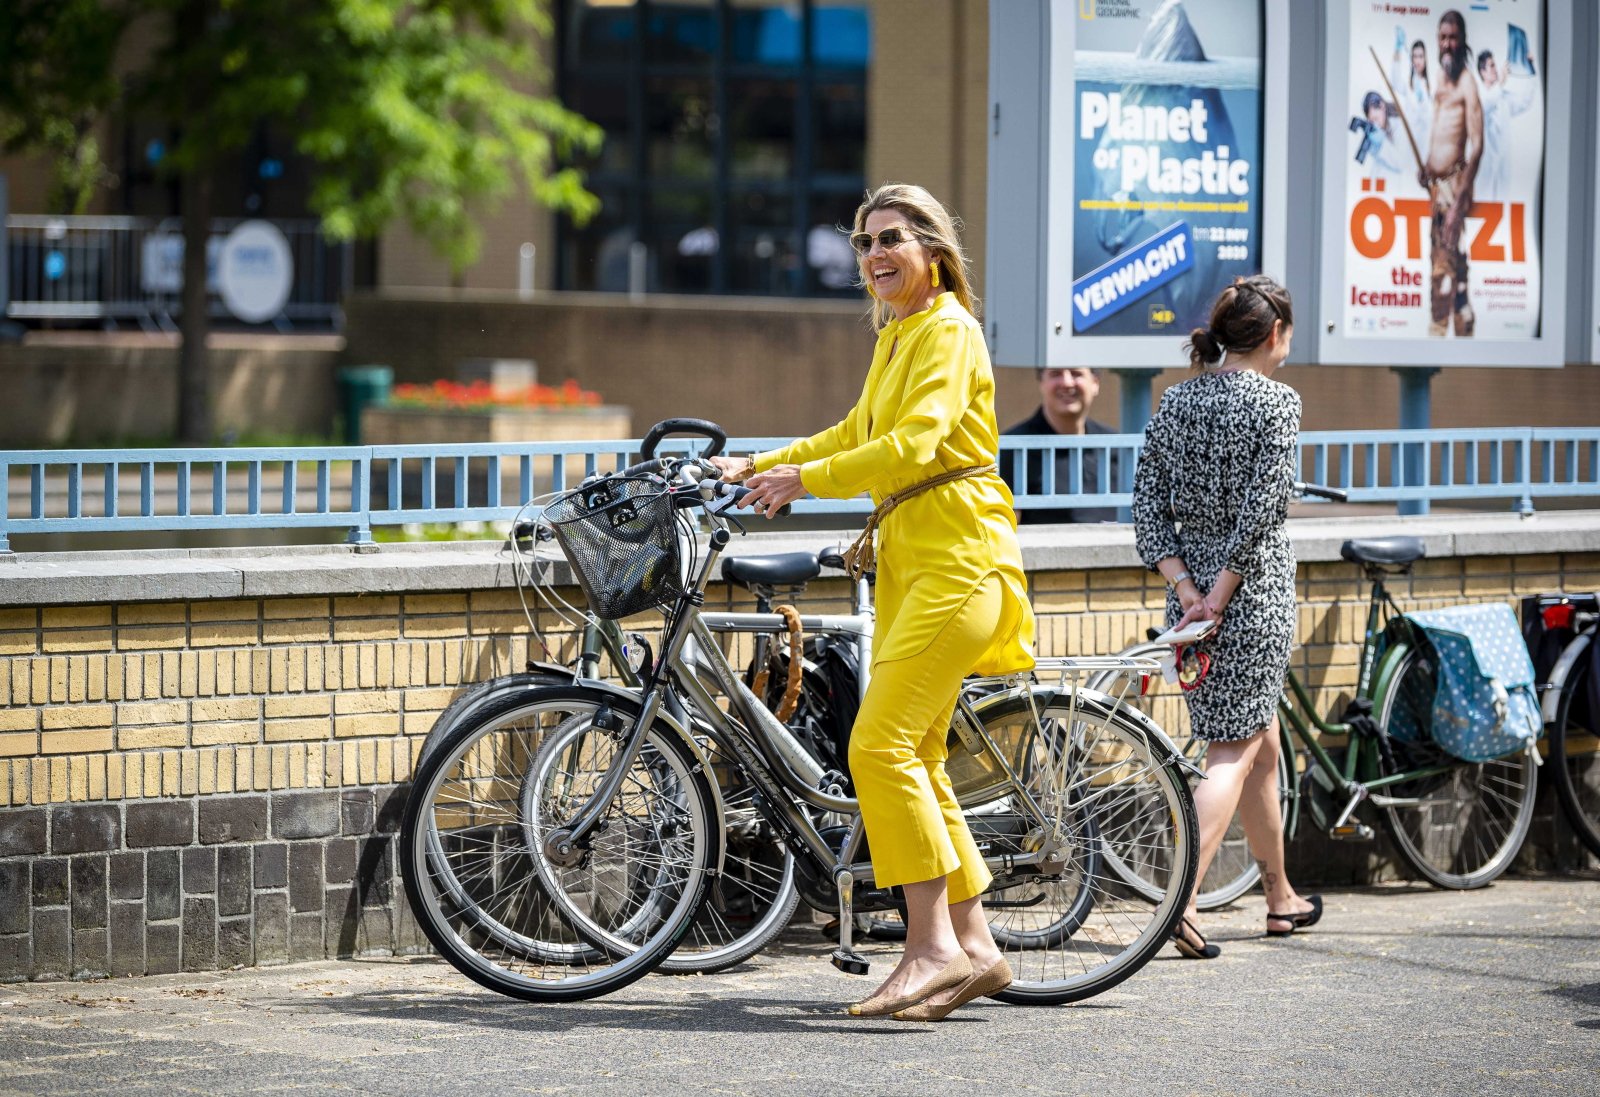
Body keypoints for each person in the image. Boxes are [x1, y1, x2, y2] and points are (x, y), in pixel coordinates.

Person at [711, 183, 1036, 1021]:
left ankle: (927, 950)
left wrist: (804, 480)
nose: (874, 254)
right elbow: (854, 434)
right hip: (914, 562)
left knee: (879, 745)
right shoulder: (898, 336)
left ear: (933, 249)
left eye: (891, 237)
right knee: (915, 756)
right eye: (863, 242)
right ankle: (977, 949)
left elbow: (915, 443)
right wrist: (755, 466)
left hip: (959, 560)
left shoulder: (950, 330)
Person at [1131, 275, 1321, 960]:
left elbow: (1148, 507)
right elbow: (1266, 508)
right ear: (1276, 335)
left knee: (1258, 742)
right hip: (1255, 596)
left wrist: (1188, 588)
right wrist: (1226, 589)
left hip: (1190, 602)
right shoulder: (1279, 402)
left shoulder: (1176, 400)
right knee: (1232, 752)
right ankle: (1176, 905)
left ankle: (1280, 896)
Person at [1421, 10, 1483, 337]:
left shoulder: (1467, 83)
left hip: (1452, 192)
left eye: (1452, 38)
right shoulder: (1440, 80)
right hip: (1437, 188)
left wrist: (1459, 202)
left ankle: (1437, 333)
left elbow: (1477, 145)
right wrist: (1428, 170)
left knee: (1443, 270)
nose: (1447, 44)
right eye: (1442, 37)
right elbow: (1442, 136)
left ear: (1462, 41)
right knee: (1455, 273)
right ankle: (1464, 328)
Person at [1001, 367, 1119, 524]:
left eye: (1076, 373)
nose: (1067, 382)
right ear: (1042, 382)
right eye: (1056, 374)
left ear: (1095, 383)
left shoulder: (1117, 446)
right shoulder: (1012, 451)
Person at [1474, 48, 1538, 202]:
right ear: (1482, 72)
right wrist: (1501, 84)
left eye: (1495, 65)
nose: (1496, 69)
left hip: (1503, 166)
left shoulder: (1503, 98)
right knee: (1483, 208)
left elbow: (1524, 102)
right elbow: (1485, 106)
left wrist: (1530, 70)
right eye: (1491, 66)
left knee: (1502, 209)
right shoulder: (1478, 98)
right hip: (1484, 168)